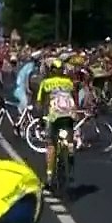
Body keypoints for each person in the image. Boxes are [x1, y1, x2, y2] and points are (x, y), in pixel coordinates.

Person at [34, 60, 78, 188]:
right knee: (69, 139)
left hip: (54, 116)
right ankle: (70, 152)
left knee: (51, 145)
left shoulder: (46, 83)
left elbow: (39, 103)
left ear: (51, 70)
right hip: (69, 115)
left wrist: (41, 118)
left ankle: (48, 177)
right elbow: (75, 100)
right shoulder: (69, 83)